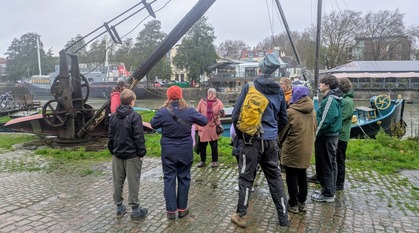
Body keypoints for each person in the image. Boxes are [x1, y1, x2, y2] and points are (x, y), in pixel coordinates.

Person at [230, 53, 289, 228]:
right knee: (275, 179)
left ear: (260, 69)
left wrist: (243, 138)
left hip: (251, 142)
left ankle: (241, 215)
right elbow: (284, 118)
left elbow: (235, 116)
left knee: (246, 178)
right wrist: (273, 134)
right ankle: (284, 218)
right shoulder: (279, 90)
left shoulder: (250, 87)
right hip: (270, 141)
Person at [150, 86, 207, 220]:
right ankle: (182, 209)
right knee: (184, 178)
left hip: (169, 150)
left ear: (168, 97)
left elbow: (153, 124)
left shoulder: (164, 112)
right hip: (185, 150)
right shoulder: (189, 111)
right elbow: (204, 121)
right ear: (181, 96)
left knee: (169, 179)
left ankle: (171, 211)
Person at [107, 89, 148, 221]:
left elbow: (110, 136)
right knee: (133, 182)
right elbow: (139, 137)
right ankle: (135, 210)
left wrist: (113, 150)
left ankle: (119, 207)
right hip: (132, 155)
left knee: (117, 181)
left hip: (117, 154)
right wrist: (141, 153)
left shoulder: (113, 116)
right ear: (132, 101)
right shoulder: (135, 116)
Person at [278, 86, 317, 214]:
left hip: (292, 148)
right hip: (306, 147)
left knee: (291, 176)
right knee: (302, 174)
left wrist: (278, 143)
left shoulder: (291, 112)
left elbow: (283, 131)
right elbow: (315, 128)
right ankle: (302, 202)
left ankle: (293, 203)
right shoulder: (312, 111)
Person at [311, 75, 342, 203]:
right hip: (332, 135)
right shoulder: (335, 98)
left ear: (327, 85)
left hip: (326, 136)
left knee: (327, 164)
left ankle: (328, 193)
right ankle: (329, 189)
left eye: (321, 83)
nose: (320, 85)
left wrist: (316, 134)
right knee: (331, 164)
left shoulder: (330, 100)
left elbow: (325, 120)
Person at [195, 88, 226, 168]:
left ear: (215, 95)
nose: (211, 96)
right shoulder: (202, 102)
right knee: (202, 146)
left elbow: (223, 114)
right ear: (207, 94)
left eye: (213, 94)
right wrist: (196, 127)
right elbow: (196, 114)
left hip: (213, 127)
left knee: (214, 146)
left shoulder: (218, 102)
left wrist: (222, 112)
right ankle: (202, 160)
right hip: (203, 127)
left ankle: (214, 161)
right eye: (210, 94)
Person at [336, 77, 355, 190]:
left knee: (340, 160)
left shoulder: (347, 101)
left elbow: (341, 117)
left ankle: (339, 183)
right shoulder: (346, 99)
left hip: (342, 135)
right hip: (340, 133)